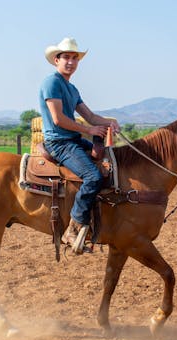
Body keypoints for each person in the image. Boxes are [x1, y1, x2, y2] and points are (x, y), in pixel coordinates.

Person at [39, 37, 120, 254]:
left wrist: (109, 122)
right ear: (56, 60)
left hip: (72, 140)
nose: (71, 62)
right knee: (93, 176)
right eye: (66, 57)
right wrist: (89, 131)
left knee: (109, 162)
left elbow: (91, 116)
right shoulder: (52, 82)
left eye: (75, 58)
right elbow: (58, 119)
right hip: (59, 142)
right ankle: (72, 229)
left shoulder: (72, 88)